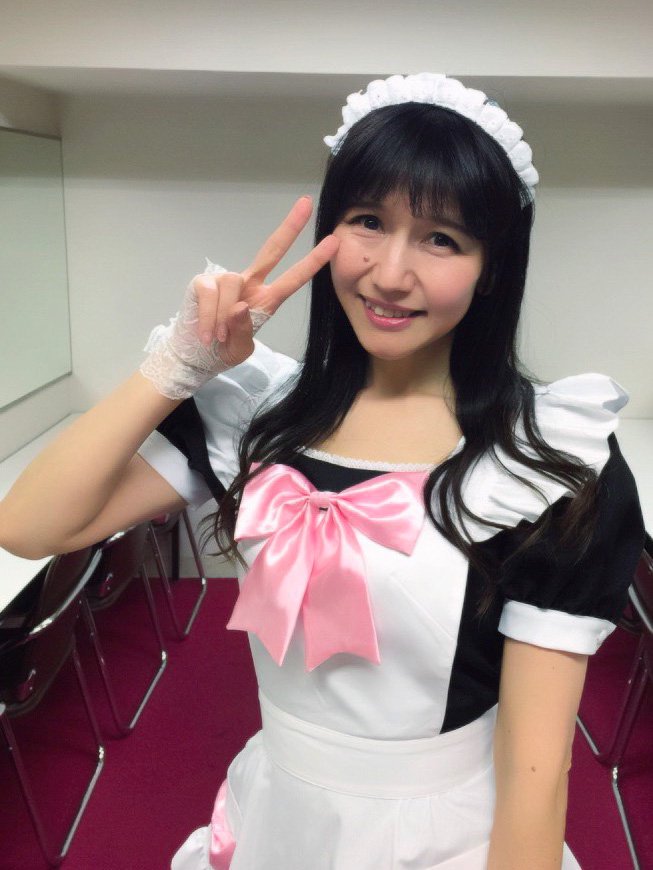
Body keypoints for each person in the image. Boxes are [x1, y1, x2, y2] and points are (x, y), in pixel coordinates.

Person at [0, 73, 645, 869]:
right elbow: (28, 526)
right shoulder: (261, 414)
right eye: (368, 222)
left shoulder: (544, 462)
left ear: (492, 266)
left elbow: (535, 775)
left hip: (443, 839)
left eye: (441, 239)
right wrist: (179, 365)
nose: (389, 274)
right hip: (279, 810)